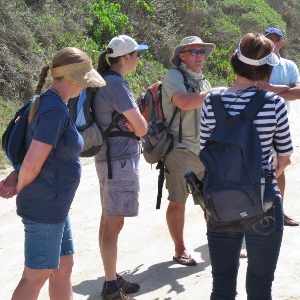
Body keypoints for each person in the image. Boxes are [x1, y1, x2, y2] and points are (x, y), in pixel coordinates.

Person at [0, 47, 105, 300]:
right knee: (36, 276)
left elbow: (30, 152)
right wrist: (22, 184)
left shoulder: (49, 102)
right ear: (71, 79)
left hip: (55, 204)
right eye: (83, 81)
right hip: (45, 204)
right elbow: (32, 164)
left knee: (63, 267)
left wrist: (18, 178)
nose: (85, 87)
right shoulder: (55, 110)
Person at [200, 33, 292, 299]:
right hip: (263, 202)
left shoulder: (211, 102)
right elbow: (284, 157)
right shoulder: (273, 103)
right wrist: (258, 179)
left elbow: (205, 152)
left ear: (234, 62)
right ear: (266, 68)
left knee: (222, 286)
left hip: (220, 201)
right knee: (261, 285)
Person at [161, 36, 226, 266]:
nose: (200, 55)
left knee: (214, 199)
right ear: (182, 56)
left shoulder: (203, 80)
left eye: (202, 51)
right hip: (179, 149)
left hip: (205, 150)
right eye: (194, 51)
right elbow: (184, 102)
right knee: (179, 201)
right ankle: (180, 249)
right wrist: (215, 92)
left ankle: (220, 243)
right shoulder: (173, 76)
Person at [93, 35, 148, 300]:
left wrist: (133, 125)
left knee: (108, 221)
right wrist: (136, 126)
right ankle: (112, 288)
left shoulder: (106, 81)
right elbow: (142, 127)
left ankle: (111, 279)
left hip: (110, 160)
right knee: (113, 225)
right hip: (119, 163)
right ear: (126, 57)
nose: (139, 59)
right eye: (137, 54)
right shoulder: (116, 84)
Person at [256, 26, 300, 226]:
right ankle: (256, 213)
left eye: (276, 38)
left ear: (282, 43)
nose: (273, 42)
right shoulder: (255, 65)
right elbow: (253, 89)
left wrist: (268, 89)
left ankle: (278, 211)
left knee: (282, 164)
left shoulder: (289, 65)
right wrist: (284, 89)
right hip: (256, 125)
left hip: (280, 124)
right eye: (269, 38)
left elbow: (298, 92)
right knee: (257, 168)